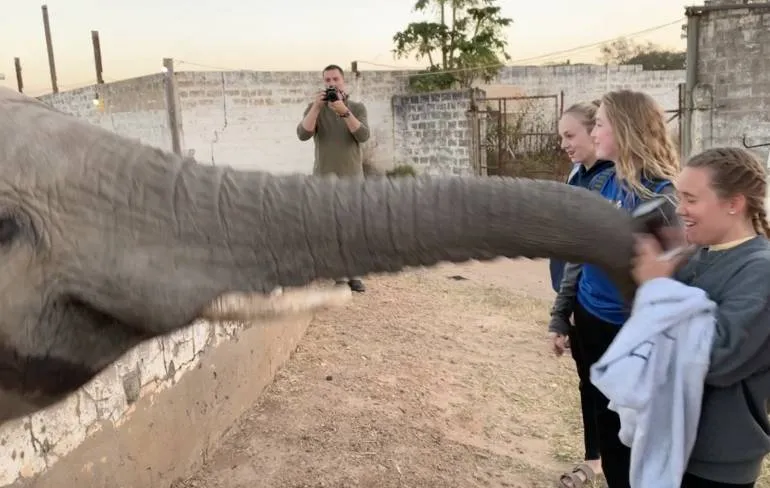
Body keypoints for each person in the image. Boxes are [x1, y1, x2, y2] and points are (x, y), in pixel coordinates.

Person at [549, 89, 681, 488]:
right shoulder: (606, 186)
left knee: (633, 445)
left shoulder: (663, 201)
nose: (595, 129)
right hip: (591, 324)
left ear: (623, 131)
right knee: (608, 432)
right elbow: (580, 257)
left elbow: (670, 292)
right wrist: (561, 314)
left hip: (629, 339)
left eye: (600, 123)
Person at [632, 146, 770, 488]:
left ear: (734, 204)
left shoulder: (760, 271)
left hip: (715, 460)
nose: (680, 210)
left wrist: (659, 288)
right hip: (668, 444)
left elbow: (714, 357)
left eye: (691, 199)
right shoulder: (693, 257)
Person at [547, 100, 614, 488]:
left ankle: (607, 462)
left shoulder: (613, 181)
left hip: (601, 306)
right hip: (578, 302)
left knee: (605, 389)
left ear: (595, 132)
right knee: (587, 384)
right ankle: (595, 458)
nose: (564, 144)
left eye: (570, 135)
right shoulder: (579, 176)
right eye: (561, 137)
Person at [297, 64, 370, 292]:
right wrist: (318, 107)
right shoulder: (314, 108)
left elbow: (363, 135)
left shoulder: (356, 107)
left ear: (343, 81)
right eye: (327, 80)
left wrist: (343, 110)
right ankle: (338, 275)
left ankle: (354, 275)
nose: (331, 83)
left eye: (335, 79)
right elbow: (303, 134)